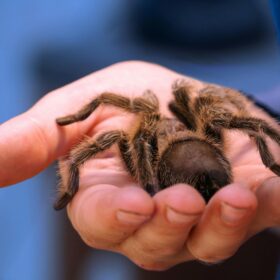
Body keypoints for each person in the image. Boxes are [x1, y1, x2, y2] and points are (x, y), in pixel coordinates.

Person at [1, 61, 280, 270]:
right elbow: (240, 118)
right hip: (210, 167)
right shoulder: (202, 126)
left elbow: (95, 141)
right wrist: (257, 113)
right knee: (227, 116)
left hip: (168, 177)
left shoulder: (134, 140)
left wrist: (150, 187)